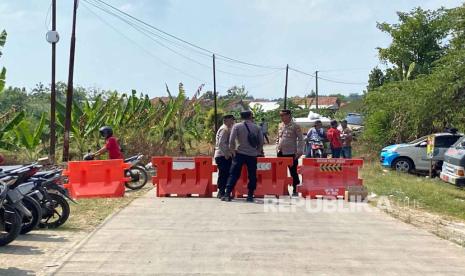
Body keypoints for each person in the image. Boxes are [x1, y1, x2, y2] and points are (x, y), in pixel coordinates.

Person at [223, 110, 264, 202]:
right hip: (252, 155)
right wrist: (257, 151)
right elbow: (261, 142)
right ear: (250, 116)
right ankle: (250, 195)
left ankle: (227, 194)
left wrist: (232, 151)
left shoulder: (237, 126)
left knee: (233, 174)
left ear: (241, 117)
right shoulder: (257, 127)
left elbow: (231, 140)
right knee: (252, 175)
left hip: (239, 154)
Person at [276, 109, 304, 196]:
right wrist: (277, 147)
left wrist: (299, 151)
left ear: (289, 115)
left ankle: (295, 189)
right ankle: (282, 189)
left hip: (291, 152)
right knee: (280, 172)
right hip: (281, 152)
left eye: (283, 115)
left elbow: (300, 139)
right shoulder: (280, 125)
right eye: (280, 115)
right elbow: (278, 137)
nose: (281, 117)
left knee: (293, 172)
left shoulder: (295, 126)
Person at [214, 115, 235, 198]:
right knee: (224, 174)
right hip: (222, 155)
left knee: (224, 174)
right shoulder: (224, 129)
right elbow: (221, 143)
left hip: (222, 155)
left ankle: (222, 192)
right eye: (231, 120)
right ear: (226, 120)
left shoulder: (226, 128)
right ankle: (221, 192)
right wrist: (226, 153)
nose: (232, 122)